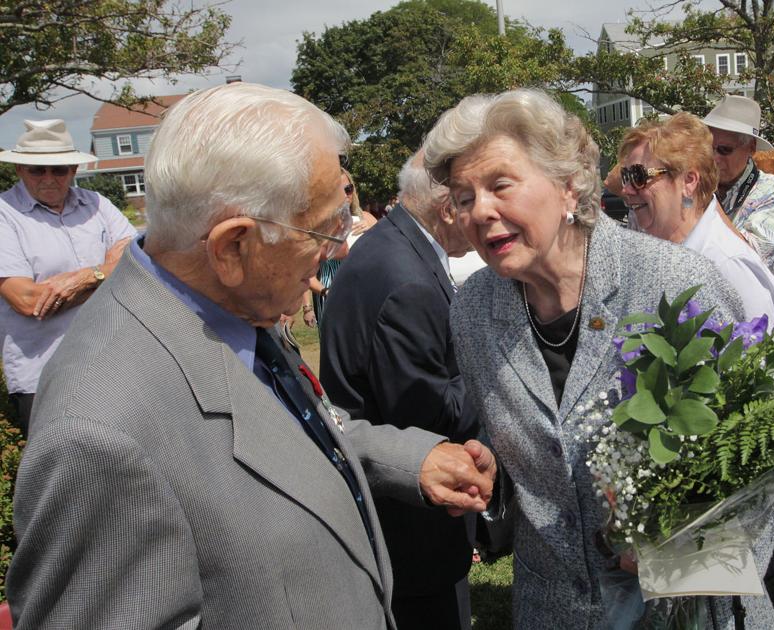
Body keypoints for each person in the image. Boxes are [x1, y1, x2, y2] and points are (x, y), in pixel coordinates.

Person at [6, 82, 497, 628]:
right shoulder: (100, 434)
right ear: (233, 247)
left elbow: (280, 429)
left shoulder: (216, 303)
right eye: (324, 228)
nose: (338, 249)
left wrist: (407, 459)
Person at [423, 89, 746, 630]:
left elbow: (764, 454)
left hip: (684, 607)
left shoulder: (676, 282)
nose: (479, 210)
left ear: (569, 184)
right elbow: (537, 457)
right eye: (462, 196)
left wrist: (678, 553)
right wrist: (492, 475)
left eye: (499, 184)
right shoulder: (474, 309)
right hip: (555, 609)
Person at [319, 152, 478, 629]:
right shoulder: (408, 280)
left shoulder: (390, 243)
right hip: (411, 528)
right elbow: (428, 413)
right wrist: (497, 369)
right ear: (448, 207)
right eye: (472, 200)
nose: (483, 217)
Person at [0, 119, 136, 437]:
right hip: (44, 375)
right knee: (63, 474)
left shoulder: (96, 204)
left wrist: (90, 276)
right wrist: (110, 271)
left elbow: (141, 260)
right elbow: (28, 301)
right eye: (38, 170)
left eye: (59, 169)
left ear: (73, 170)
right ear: (20, 168)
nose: (49, 178)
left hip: (112, 362)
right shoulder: (4, 215)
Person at [617, 112, 774, 328]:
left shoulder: (728, 265)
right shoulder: (655, 251)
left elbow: (760, 355)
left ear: (688, 181)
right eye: (625, 176)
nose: (626, 189)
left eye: (639, 176)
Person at [702, 96, 774, 328]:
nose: (713, 158)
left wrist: (706, 198)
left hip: (746, 322)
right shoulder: (695, 184)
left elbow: (751, 255)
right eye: (708, 149)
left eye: (724, 150)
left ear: (751, 149)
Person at [306, 167, 376, 327]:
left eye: (348, 189)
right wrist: (325, 292)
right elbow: (307, 275)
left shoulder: (366, 218)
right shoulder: (319, 226)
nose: (345, 195)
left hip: (366, 296)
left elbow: (388, 257)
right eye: (337, 190)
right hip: (332, 297)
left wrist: (374, 231)